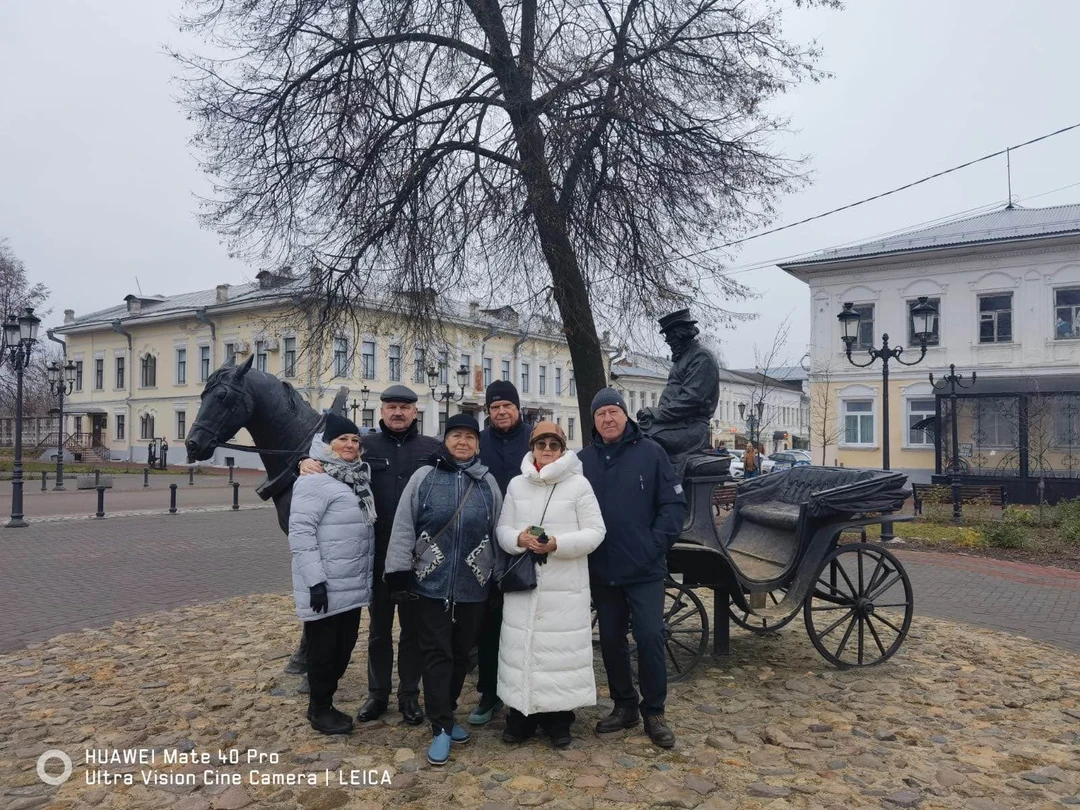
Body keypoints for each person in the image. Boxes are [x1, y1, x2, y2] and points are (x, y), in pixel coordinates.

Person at [299, 385, 439, 725]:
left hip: (416, 559)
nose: (397, 412)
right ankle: (378, 694)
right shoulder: (364, 448)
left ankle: (409, 695)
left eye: (404, 407)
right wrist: (303, 462)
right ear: (381, 412)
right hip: (374, 557)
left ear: (415, 413)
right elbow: (329, 464)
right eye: (391, 406)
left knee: (412, 631)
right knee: (378, 630)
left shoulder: (432, 449)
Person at [383, 413, 503, 766]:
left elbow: (497, 531)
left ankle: (446, 714)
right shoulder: (425, 477)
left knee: (462, 653)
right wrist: (397, 572)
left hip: (473, 584)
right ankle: (440, 726)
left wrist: (496, 577)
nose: (463, 442)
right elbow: (404, 524)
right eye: (456, 437)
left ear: (477, 444)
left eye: (469, 437)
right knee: (437, 654)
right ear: (445, 442)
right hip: (429, 584)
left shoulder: (487, 483)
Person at [579, 388, 685, 749]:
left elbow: (672, 508)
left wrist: (653, 545)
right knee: (610, 640)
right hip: (603, 568)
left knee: (651, 636)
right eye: (600, 414)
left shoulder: (652, 454)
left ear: (625, 415)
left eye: (613, 411)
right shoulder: (583, 462)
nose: (608, 419)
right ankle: (625, 705)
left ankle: (654, 710)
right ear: (593, 422)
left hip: (644, 568)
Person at [496, 422, 606, 748]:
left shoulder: (578, 485)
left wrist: (557, 543)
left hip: (564, 586)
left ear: (562, 449)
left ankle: (559, 720)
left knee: (560, 654)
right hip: (525, 584)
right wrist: (518, 538)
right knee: (522, 651)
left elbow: (595, 532)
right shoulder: (517, 485)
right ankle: (521, 717)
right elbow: (502, 529)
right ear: (532, 448)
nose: (547, 450)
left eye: (553, 445)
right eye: (541, 444)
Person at [288, 413, 376, 735]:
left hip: (351, 582)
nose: (350, 445)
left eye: (355, 440)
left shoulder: (357, 478)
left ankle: (324, 702)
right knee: (324, 650)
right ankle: (319, 708)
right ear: (328, 445)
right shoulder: (314, 479)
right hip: (325, 582)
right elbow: (300, 532)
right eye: (343, 440)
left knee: (345, 645)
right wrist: (315, 581)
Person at [470, 380, 532, 726]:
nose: (501, 412)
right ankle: (490, 692)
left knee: (525, 620)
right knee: (488, 622)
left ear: (517, 408)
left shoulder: (535, 440)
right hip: (488, 544)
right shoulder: (480, 442)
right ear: (488, 411)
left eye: (507, 405)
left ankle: (526, 690)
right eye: (495, 407)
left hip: (528, 545)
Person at [636, 309, 721, 478]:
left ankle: (668, 487)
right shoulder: (680, 359)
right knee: (632, 431)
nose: (667, 340)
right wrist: (654, 416)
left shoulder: (701, 357)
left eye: (670, 335)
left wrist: (656, 413)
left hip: (692, 429)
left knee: (642, 436)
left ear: (681, 334)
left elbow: (690, 400)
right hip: (675, 424)